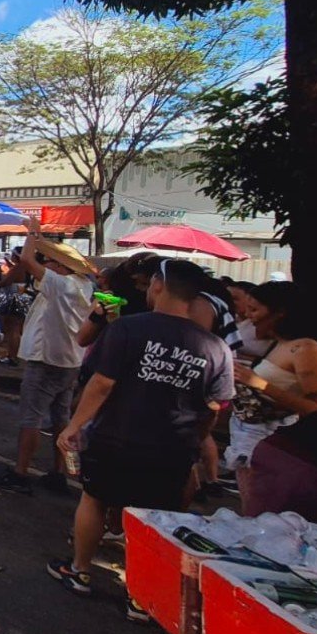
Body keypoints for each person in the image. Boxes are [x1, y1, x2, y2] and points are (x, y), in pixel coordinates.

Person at [50, 259, 234, 608]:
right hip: (173, 448)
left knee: (94, 499)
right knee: (155, 519)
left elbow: (102, 383)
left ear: (158, 286)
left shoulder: (128, 329)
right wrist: (196, 440)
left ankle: (80, 570)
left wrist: (74, 426)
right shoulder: (216, 347)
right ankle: (141, 596)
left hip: (117, 438)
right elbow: (216, 406)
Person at [0, 216, 96, 495]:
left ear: (61, 267)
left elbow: (26, 260)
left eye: (50, 262)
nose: (46, 265)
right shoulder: (82, 286)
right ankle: (58, 473)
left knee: (31, 418)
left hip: (48, 361)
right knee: (61, 418)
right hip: (69, 362)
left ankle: (21, 473)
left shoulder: (63, 286)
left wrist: (33, 231)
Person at [224, 281, 317, 513]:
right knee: (249, 506)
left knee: (260, 511)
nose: (247, 314)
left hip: (272, 440)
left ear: (280, 312)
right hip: (246, 434)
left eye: (255, 309)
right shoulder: (277, 343)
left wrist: (258, 383)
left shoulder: (305, 349)